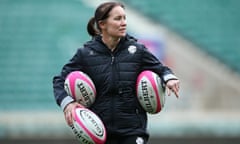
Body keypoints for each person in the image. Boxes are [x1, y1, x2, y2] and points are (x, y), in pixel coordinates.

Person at [53, 2, 180, 144]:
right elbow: (59, 81)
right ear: (102, 24)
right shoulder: (86, 53)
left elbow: (161, 69)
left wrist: (169, 78)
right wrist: (68, 103)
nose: (123, 23)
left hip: (133, 132)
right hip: (100, 132)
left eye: (124, 18)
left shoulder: (137, 50)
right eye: (118, 18)